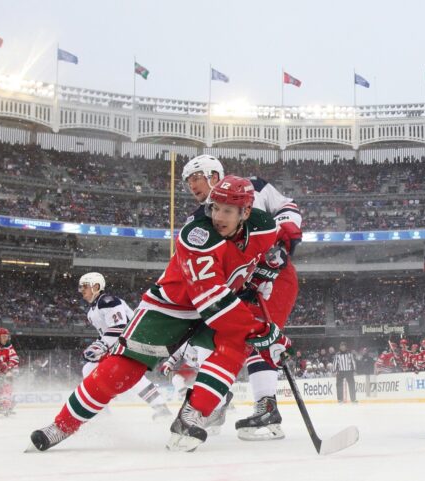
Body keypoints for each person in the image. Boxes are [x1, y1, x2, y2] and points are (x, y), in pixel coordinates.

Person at [29, 176, 293, 453]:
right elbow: (213, 303)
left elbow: (275, 246)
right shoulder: (198, 235)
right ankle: (61, 426)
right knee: (123, 369)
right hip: (174, 305)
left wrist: (271, 263)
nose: (218, 216)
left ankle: (192, 415)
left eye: (227, 210)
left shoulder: (264, 225)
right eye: (215, 207)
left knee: (235, 346)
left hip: (222, 300)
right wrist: (262, 331)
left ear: (246, 212)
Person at [174, 154, 302, 441]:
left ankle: (267, 411)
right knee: (218, 338)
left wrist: (283, 241)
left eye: (196, 177)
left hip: (274, 276)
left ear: (213, 174)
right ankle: (216, 401)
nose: (192, 186)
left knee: (262, 337)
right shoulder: (198, 221)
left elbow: (287, 207)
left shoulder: (253, 186)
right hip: (238, 287)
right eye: (187, 182)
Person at [77, 272, 171, 420]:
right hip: (122, 343)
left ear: (96, 286)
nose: (81, 290)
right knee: (89, 369)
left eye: (85, 286)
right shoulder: (92, 311)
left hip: (132, 341)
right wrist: (98, 345)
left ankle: (160, 408)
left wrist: (100, 346)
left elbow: (120, 327)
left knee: (130, 375)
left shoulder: (107, 301)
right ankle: (102, 408)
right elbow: (107, 333)